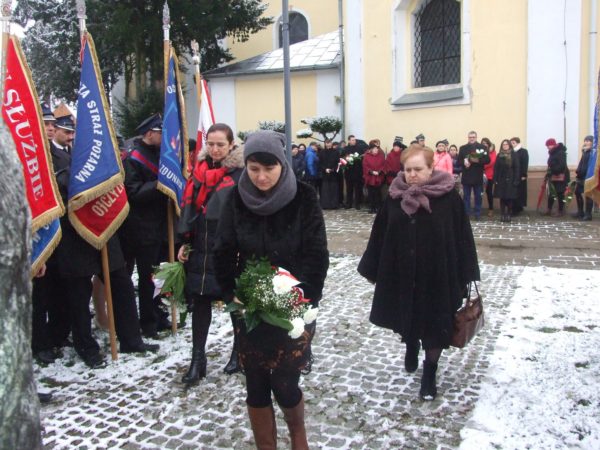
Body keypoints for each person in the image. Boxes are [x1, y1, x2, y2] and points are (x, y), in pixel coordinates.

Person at [214, 130, 329, 449]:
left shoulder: (304, 197)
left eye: (269, 168)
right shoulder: (236, 198)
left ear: (282, 164)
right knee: (255, 384)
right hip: (250, 305)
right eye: (254, 169)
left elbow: (317, 252)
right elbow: (223, 249)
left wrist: (302, 295)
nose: (261, 176)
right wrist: (230, 291)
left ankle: (298, 437)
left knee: (285, 382)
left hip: (294, 305)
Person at [358, 144, 480, 401]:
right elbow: (380, 233)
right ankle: (411, 345)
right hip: (402, 272)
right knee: (408, 316)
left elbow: (462, 236)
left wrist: (467, 272)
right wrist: (373, 267)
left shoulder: (449, 198)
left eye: (418, 169)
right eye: (407, 169)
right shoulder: (394, 196)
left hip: (438, 274)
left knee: (436, 325)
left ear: (431, 169)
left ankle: (430, 373)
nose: (412, 174)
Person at [49, 116, 159, 368]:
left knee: (121, 285)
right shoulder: (61, 160)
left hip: (106, 232)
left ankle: (131, 339)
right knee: (79, 294)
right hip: (76, 235)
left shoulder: (105, 161)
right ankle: (86, 347)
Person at [177, 123, 244, 384]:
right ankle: (198, 359)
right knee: (200, 302)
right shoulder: (198, 172)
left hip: (228, 247)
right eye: (211, 144)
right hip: (201, 246)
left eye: (221, 145)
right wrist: (184, 241)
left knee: (234, 303)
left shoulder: (240, 174)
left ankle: (239, 352)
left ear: (231, 146)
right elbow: (189, 209)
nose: (215, 149)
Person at [121, 114, 171, 338]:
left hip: (161, 225)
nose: (164, 136)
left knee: (160, 275)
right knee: (147, 278)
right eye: (160, 132)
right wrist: (160, 185)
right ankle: (148, 322)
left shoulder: (161, 154)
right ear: (149, 133)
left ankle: (158, 314)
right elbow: (133, 192)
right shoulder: (134, 158)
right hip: (142, 229)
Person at [459, 131, 490, 220]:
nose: (471, 138)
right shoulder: (463, 148)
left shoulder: (482, 147)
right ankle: (466, 214)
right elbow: (459, 161)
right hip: (466, 175)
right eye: (470, 137)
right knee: (466, 197)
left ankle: (477, 213)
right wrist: (464, 163)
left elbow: (487, 160)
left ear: (476, 137)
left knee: (478, 196)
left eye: (473, 137)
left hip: (477, 175)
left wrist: (477, 161)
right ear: (468, 138)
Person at [492, 139, 520, 222]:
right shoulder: (499, 155)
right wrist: (495, 179)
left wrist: (516, 180)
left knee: (509, 198)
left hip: (510, 179)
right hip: (501, 179)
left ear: (509, 145)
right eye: (503, 144)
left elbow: (517, 168)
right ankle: (502, 214)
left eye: (506, 144)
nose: (505, 146)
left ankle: (508, 214)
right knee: (502, 197)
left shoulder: (514, 155)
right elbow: (496, 168)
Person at [544, 138, 569, 217]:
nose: (547, 147)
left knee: (560, 194)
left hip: (561, 176)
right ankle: (549, 210)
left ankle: (560, 211)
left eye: (548, 145)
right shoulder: (552, 153)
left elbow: (562, 165)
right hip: (553, 175)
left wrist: (553, 171)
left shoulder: (560, 152)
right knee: (551, 193)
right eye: (547, 146)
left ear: (553, 144)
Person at [342, 135, 368, 209]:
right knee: (349, 189)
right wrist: (346, 159)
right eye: (352, 140)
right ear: (349, 141)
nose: (354, 141)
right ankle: (349, 203)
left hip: (357, 172)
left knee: (357, 189)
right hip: (348, 172)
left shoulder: (359, 148)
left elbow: (363, 159)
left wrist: (358, 158)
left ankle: (357, 204)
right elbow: (342, 159)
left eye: (354, 140)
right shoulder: (345, 149)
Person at [573, 135, 594, 221]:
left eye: (588, 141)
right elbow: (582, 163)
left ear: (592, 143)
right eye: (585, 140)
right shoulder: (585, 151)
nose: (586, 142)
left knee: (588, 195)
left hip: (589, 176)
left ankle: (588, 214)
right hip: (581, 176)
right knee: (577, 192)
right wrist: (578, 171)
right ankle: (580, 212)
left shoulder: (593, 153)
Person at [362, 140, 386, 213]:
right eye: (374, 149)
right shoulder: (367, 156)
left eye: (377, 149)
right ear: (371, 149)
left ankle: (378, 207)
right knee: (371, 193)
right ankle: (371, 207)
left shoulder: (381, 156)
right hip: (370, 177)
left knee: (378, 193)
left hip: (378, 177)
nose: (376, 150)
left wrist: (379, 171)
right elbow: (365, 165)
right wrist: (371, 171)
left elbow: (384, 165)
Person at [319, 139, 340, 209]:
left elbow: (337, 162)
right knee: (325, 190)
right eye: (327, 143)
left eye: (329, 143)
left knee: (334, 189)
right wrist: (325, 169)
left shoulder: (336, 152)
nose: (328, 144)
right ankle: (325, 205)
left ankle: (334, 205)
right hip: (325, 174)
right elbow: (320, 163)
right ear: (325, 144)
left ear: (331, 143)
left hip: (333, 174)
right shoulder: (322, 152)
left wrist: (333, 169)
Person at [510, 137, 529, 215]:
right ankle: (515, 208)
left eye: (513, 143)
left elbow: (525, 163)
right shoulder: (511, 152)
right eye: (511, 143)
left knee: (520, 192)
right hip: (513, 175)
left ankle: (518, 208)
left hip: (520, 175)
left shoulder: (523, 151)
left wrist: (524, 174)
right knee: (514, 192)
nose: (512, 144)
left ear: (518, 143)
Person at [481, 138, 497, 218]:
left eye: (486, 143)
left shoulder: (492, 151)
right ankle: (479, 209)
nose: (484, 144)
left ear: (488, 144)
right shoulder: (479, 151)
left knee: (489, 192)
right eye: (483, 143)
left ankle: (491, 209)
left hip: (489, 175)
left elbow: (491, 162)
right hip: (479, 174)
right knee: (479, 192)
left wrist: (480, 165)